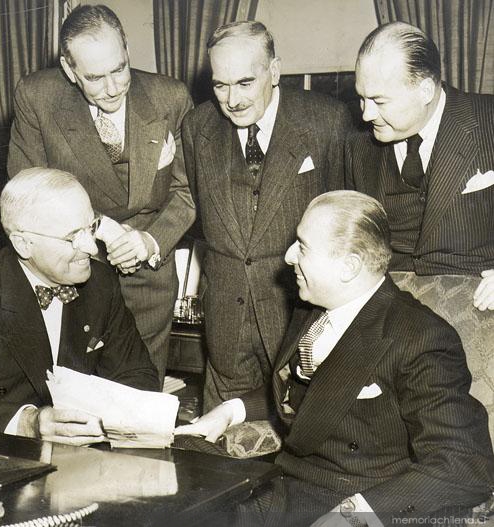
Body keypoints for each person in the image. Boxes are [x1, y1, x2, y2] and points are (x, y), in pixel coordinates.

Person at [177, 190, 494, 526]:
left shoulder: (419, 337)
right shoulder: (310, 307)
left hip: (345, 503)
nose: (287, 257)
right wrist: (230, 411)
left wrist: (357, 515)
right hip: (280, 486)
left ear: (349, 267)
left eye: (302, 246)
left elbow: (464, 464)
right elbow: (301, 394)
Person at [7, 4, 195, 383]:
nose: (112, 89)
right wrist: (100, 230)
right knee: (74, 404)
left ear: (126, 48)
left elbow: (187, 191)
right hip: (73, 273)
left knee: (140, 404)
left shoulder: (170, 97)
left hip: (148, 277)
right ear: (68, 69)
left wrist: (149, 241)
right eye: (94, 77)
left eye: (120, 69)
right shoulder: (38, 97)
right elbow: (27, 196)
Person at [182, 21, 352, 409]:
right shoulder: (197, 128)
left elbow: (347, 219)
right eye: (220, 85)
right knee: (217, 450)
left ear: (274, 71)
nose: (233, 100)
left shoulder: (327, 122)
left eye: (245, 83)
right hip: (225, 324)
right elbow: (197, 213)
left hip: (299, 316)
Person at [0, 168, 159, 446]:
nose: (92, 248)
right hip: (0, 454)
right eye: (72, 237)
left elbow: (137, 375)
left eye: (90, 228)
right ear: (23, 244)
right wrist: (28, 423)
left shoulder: (101, 283)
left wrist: (109, 422)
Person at [346, 21, 494, 311]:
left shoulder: (489, 121)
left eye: (378, 100)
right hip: (395, 315)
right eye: (362, 98)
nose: (366, 114)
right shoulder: (357, 146)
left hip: (481, 307)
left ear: (426, 90)